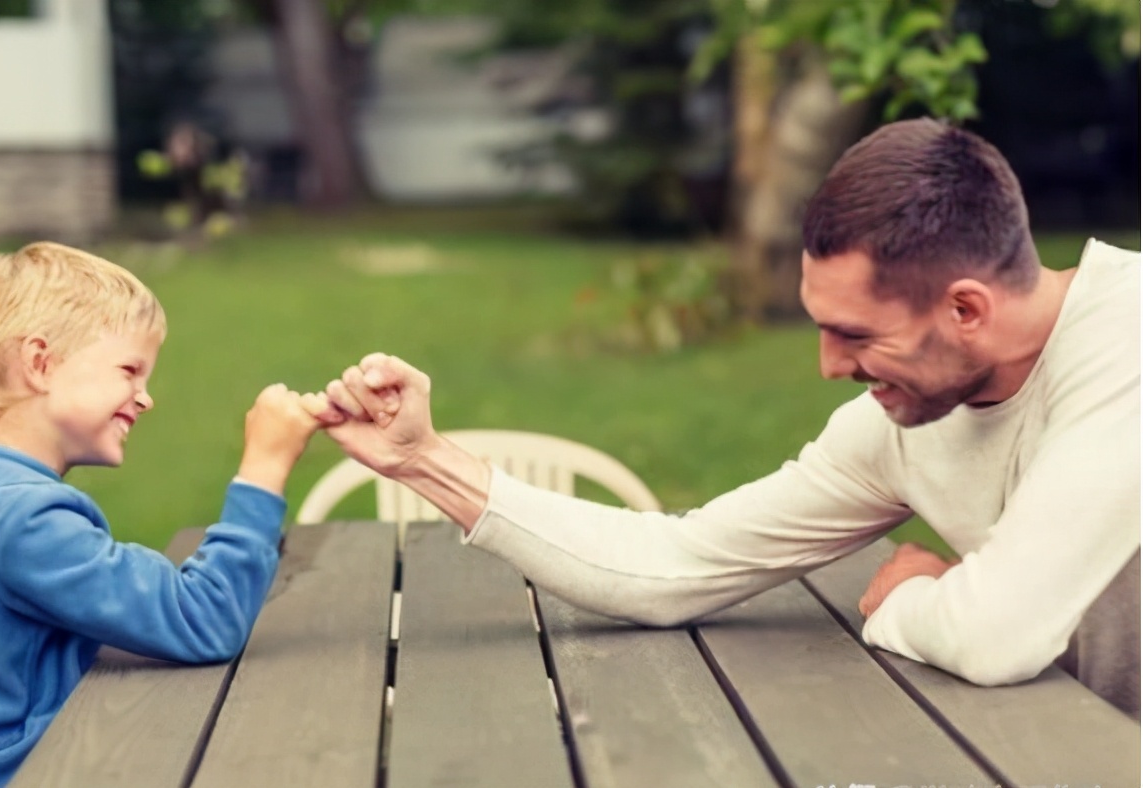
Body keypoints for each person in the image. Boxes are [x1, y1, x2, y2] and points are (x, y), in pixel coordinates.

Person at [310, 118, 1140, 719]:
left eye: (856, 335)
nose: (829, 368)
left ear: (965, 308)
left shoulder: (1127, 342)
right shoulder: (898, 426)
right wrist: (424, 461)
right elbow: (672, 564)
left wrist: (910, 597)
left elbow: (996, 639)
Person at [0, 242, 326, 784]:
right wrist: (264, 467)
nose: (145, 396)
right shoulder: (20, 520)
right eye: (129, 370)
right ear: (40, 364)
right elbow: (203, 618)